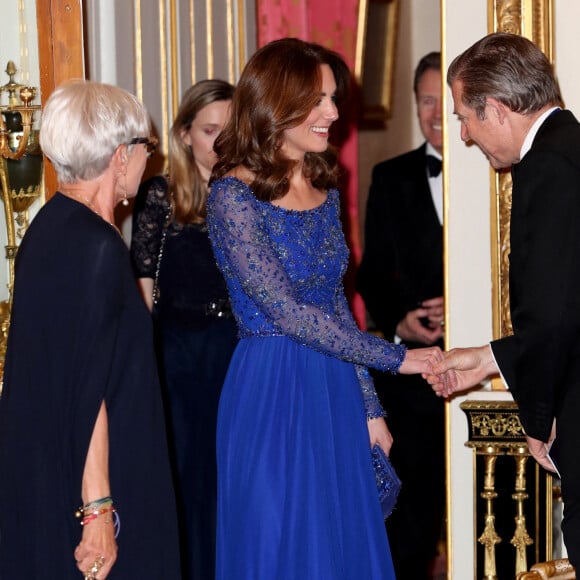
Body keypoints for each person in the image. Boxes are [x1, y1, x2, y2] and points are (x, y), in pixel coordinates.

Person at [206, 37, 443, 580]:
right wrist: (398, 358)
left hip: (334, 385)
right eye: (318, 101)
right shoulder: (232, 196)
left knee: (341, 549)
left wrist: (369, 407)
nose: (334, 113)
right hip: (271, 394)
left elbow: (334, 301)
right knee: (280, 547)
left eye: (333, 98)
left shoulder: (323, 179)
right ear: (276, 102)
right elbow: (288, 313)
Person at [0, 80, 180, 579]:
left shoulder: (48, 228)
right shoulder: (97, 247)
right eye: (147, 147)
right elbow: (88, 391)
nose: (151, 159)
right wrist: (99, 512)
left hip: (53, 473)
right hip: (104, 481)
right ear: (120, 156)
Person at [425, 32, 580, 566]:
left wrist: (539, 421)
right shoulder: (569, 149)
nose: (464, 135)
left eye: (465, 117)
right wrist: (488, 359)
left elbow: (556, 315)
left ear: (495, 108)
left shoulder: (551, 167)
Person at [130, 79, 237, 580]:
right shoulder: (161, 195)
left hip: (236, 353)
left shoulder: (253, 193)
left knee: (233, 476)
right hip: (177, 356)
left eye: (230, 130)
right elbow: (143, 289)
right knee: (186, 476)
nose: (220, 142)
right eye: (209, 130)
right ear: (184, 134)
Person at [356, 51, 446, 579]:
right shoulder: (390, 177)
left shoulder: (500, 171)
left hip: (484, 370)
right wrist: (400, 326)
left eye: (444, 101)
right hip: (409, 379)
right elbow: (370, 275)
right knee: (408, 525)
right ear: (414, 103)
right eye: (426, 100)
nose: (435, 112)